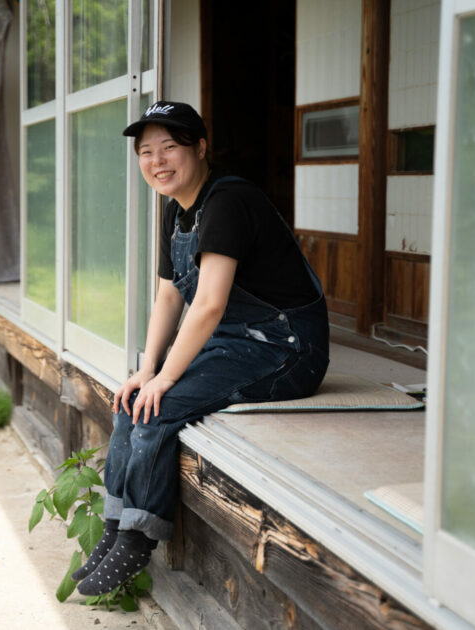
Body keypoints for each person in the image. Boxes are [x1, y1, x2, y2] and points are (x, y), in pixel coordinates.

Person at [74, 101, 329, 596]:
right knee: (133, 399)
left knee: (159, 407)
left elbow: (208, 304)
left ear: (201, 148)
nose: (157, 161)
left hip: (286, 349)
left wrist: (167, 379)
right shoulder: (176, 210)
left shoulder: (229, 201)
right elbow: (169, 296)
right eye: (146, 151)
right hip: (235, 342)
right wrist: (147, 369)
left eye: (170, 147)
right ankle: (115, 526)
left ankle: (137, 539)